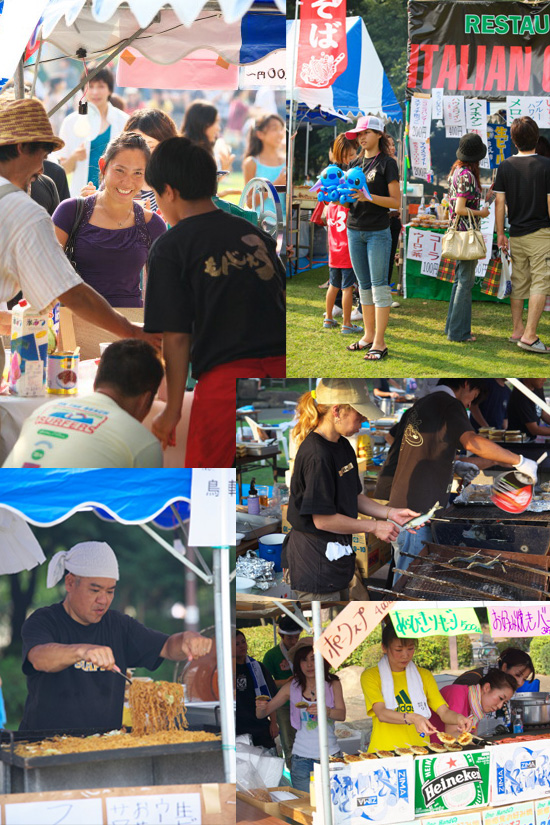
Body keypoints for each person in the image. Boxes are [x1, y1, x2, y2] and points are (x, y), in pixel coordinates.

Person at [143, 137, 285, 467]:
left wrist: (173, 411)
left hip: (224, 384)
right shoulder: (257, 237)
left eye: (155, 196)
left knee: (212, 490)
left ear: (169, 191)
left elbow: (176, 337)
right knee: (268, 476)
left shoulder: (170, 247)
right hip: (282, 378)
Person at [0, 98, 159, 379]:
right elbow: (68, 290)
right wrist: (130, 331)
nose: (42, 169)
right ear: (23, 148)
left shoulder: (151, 223)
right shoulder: (24, 210)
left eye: (138, 173)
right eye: (43, 155)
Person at [20, 542, 212, 732]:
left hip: (105, 745)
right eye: (95, 590)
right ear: (70, 583)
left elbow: (167, 646)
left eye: (110, 591)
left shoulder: (119, 626)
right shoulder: (44, 620)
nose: (103, 600)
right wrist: (81, 651)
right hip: (43, 744)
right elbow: (38, 658)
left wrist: (187, 640)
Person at [388, 378, 539, 579]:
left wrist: (454, 464)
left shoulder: (424, 402)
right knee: (409, 578)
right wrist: (519, 461)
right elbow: (472, 442)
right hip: (416, 513)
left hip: (402, 507)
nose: (469, 405)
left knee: (403, 570)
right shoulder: (450, 403)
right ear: (466, 384)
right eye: (473, 398)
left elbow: (421, 449)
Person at [283, 379, 420, 601]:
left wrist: (390, 513)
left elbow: (354, 496)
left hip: (338, 555)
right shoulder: (317, 454)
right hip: (314, 562)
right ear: (337, 411)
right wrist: (374, 527)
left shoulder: (343, 445)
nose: (364, 421)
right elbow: (323, 520)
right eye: (360, 414)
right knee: (324, 630)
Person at [3, 339, 164, 468]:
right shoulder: (142, 442)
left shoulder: (43, 410)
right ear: (145, 400)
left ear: (96, 383)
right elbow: (145, 505)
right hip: (62, 508)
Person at [53, 132, 166, 307]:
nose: (127, 182)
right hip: (76, 321)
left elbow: (162, 291)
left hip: (131, 326)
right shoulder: (70, 211)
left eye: (137, 173)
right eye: (120, 170)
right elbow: (45, 272)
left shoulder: (153, 225)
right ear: (103, 166)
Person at [361, 622, 472, 753]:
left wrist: (459, 718)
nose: (405, 655)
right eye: (398, 650)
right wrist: (413, 718)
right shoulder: (371, 676)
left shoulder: (424, 675)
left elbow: (444, 712)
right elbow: (381, 713)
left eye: (410, 648)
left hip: (419, 749)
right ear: (384, 648)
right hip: (384, 751)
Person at [343, 116, 400, 361]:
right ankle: (367, 336)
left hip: (378, 231)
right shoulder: (354, 163)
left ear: (379, 133)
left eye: (365, 132)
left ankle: (380, 342)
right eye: (358, 134)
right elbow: (348, 201)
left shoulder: (388, 164)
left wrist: (369, 198)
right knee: (363, 286)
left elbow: (396, 203)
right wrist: (338, 198)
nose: (361, 138)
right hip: (353, 229)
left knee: (379, 287)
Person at [256, 637, 346, 792]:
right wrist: (260, 707)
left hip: (331, 756)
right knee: (305, 808)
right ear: (298, 664)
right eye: (304, 660)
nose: (309, 665)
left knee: (334, 805)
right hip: (301, 759)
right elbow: (262, 714)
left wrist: (327, 711)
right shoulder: (292, 687)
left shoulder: (333, 683)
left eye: (313, 659)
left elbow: (342, 714)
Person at [494, 116, 550, 353]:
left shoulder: (505, 166)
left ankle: (517, 330)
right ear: (536, 138)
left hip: (515, 232)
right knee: (540, 282)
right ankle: (529, 335)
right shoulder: (547, 165)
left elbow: (499, 202)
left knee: (518, 283)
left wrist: (500, 233)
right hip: (541, 233)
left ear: (513, 140)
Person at [81, 109, 179, 213]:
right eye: (135, 146)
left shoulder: (179, 184)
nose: (142, 153)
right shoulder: (117, 180)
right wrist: (87, 204)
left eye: (150, 146)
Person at [444, 133, 490, 343]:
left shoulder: (457, 172)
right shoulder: (467, 176)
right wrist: (482, 213)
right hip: (466, 235)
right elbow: (460, 208)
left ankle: (453, 329)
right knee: (465, 282)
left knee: (460, 281)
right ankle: (458, 333)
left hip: (460, 233)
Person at [57, 68, 129, 196]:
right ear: (83, 90)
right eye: (90, 86)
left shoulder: (124, 121)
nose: (95, 92)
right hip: (80, 197)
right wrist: (74, 157)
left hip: (115, 197)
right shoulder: (71, 122)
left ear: (110, 90)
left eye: (101, 86)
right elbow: (61, 170)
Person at [322, 135, 363, 336]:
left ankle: (329, 318)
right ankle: (347, 323)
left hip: (333, 253)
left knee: (333, 286)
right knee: (347, 289)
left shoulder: (329, 204)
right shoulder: (347, 203)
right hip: (347, 251)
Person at [262, 615, 303, 768]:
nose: (294, 642)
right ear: (280, 635)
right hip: (283, 705)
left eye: (296, 637)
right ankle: (293, 773)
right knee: (288, 741)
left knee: (307, 739)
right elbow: (266, 683)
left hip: (304, 703)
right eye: (290, 638)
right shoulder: (271, 655)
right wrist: (285, 682)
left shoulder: (302, 651)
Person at [431, 669, 517, 739]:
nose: (499, 706)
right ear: (487, 688)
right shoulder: (457, 692)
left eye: (504, 703)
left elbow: (472, 734)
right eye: (500, 698)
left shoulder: (477, 708)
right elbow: (452, 734)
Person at [236, 630, 278, 752]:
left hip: (260, 725)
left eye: (243, 642)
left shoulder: (258, 667)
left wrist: (273, 722)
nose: (242, 646)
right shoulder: (226, 670)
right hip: (238, 727)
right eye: (237, 644)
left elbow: (271, 696)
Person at [181, 99, 234, 173]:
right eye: (215, 122)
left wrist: (223, 169)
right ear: (204, 124)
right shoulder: (189, 154)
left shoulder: (205, 150)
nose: (218, 128)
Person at [454, 647, 535, 688]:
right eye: (517, 675)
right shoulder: (471, 682)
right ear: (504, 667)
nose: (520, 683)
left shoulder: (505, 684)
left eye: (524, 679)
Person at [243, 114, 286, 188]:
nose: (280, 134)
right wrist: (276, 185)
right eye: (274, 129)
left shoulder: (287, 162)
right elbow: (249, 199)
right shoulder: (251, 163)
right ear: (260, 134)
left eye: (281, 129)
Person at [386, 135, 402, 309]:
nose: (392, 148)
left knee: (389, 259)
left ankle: (384, 295)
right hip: (384, 220)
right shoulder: (382, 165)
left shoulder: (393, 164)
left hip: (393, 218)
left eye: (393, 145)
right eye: (389, 145)